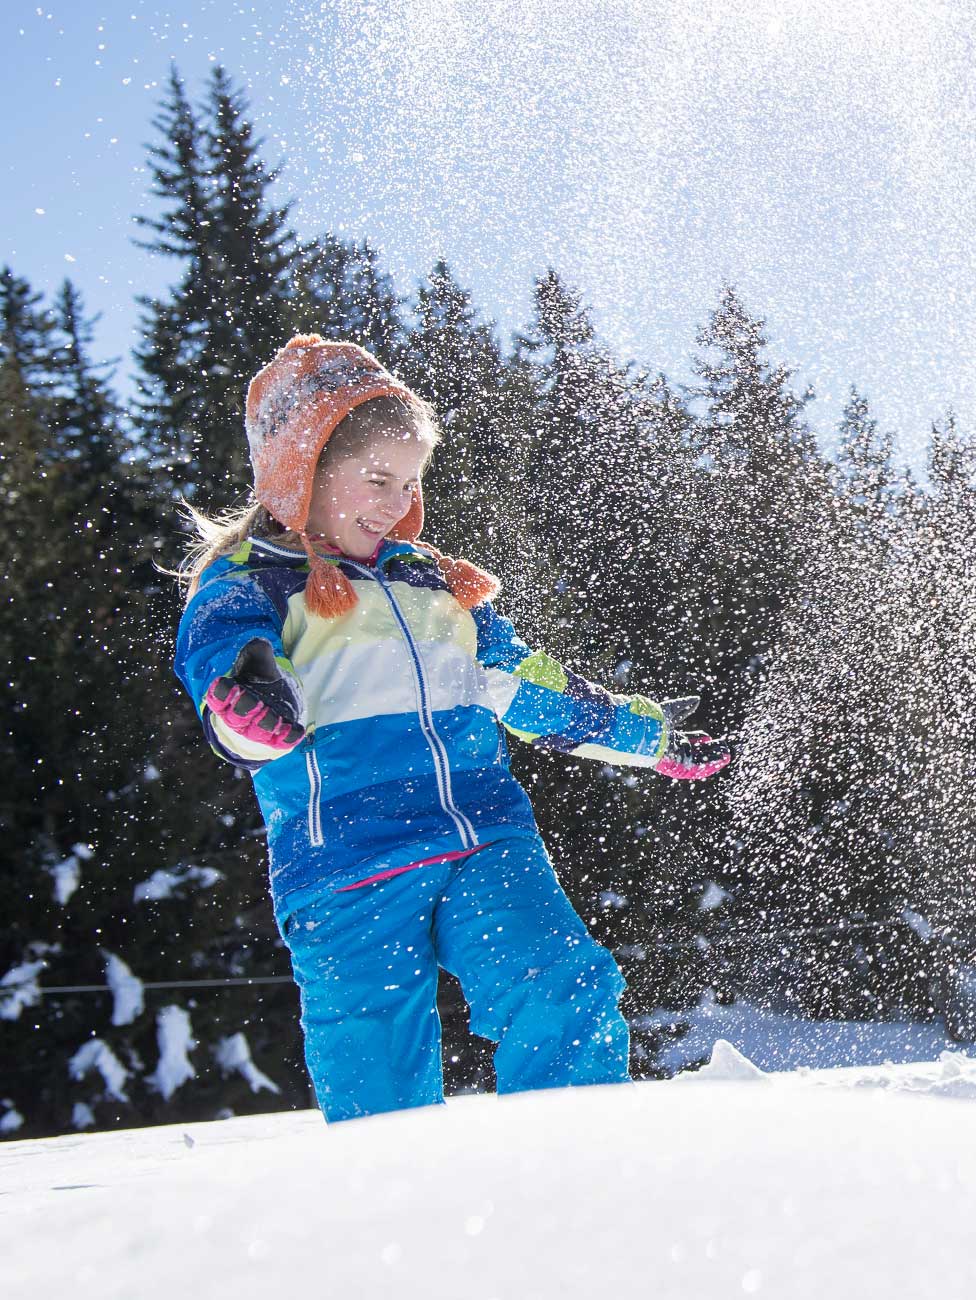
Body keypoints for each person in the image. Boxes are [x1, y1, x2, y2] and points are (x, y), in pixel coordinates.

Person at [172, 335, 736, 1122]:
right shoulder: (252, 589)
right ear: (300, 471)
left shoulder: (437, 587)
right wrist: (248, 696)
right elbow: (227, 681)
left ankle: (582, 1170)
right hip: (349, 866)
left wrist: (649, 736)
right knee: (375, 1069)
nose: (396, 503)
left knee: (562, 983)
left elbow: (530, 687)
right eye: (376, 478)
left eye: (410, 483)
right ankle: (401, 1224)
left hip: (483, 838)